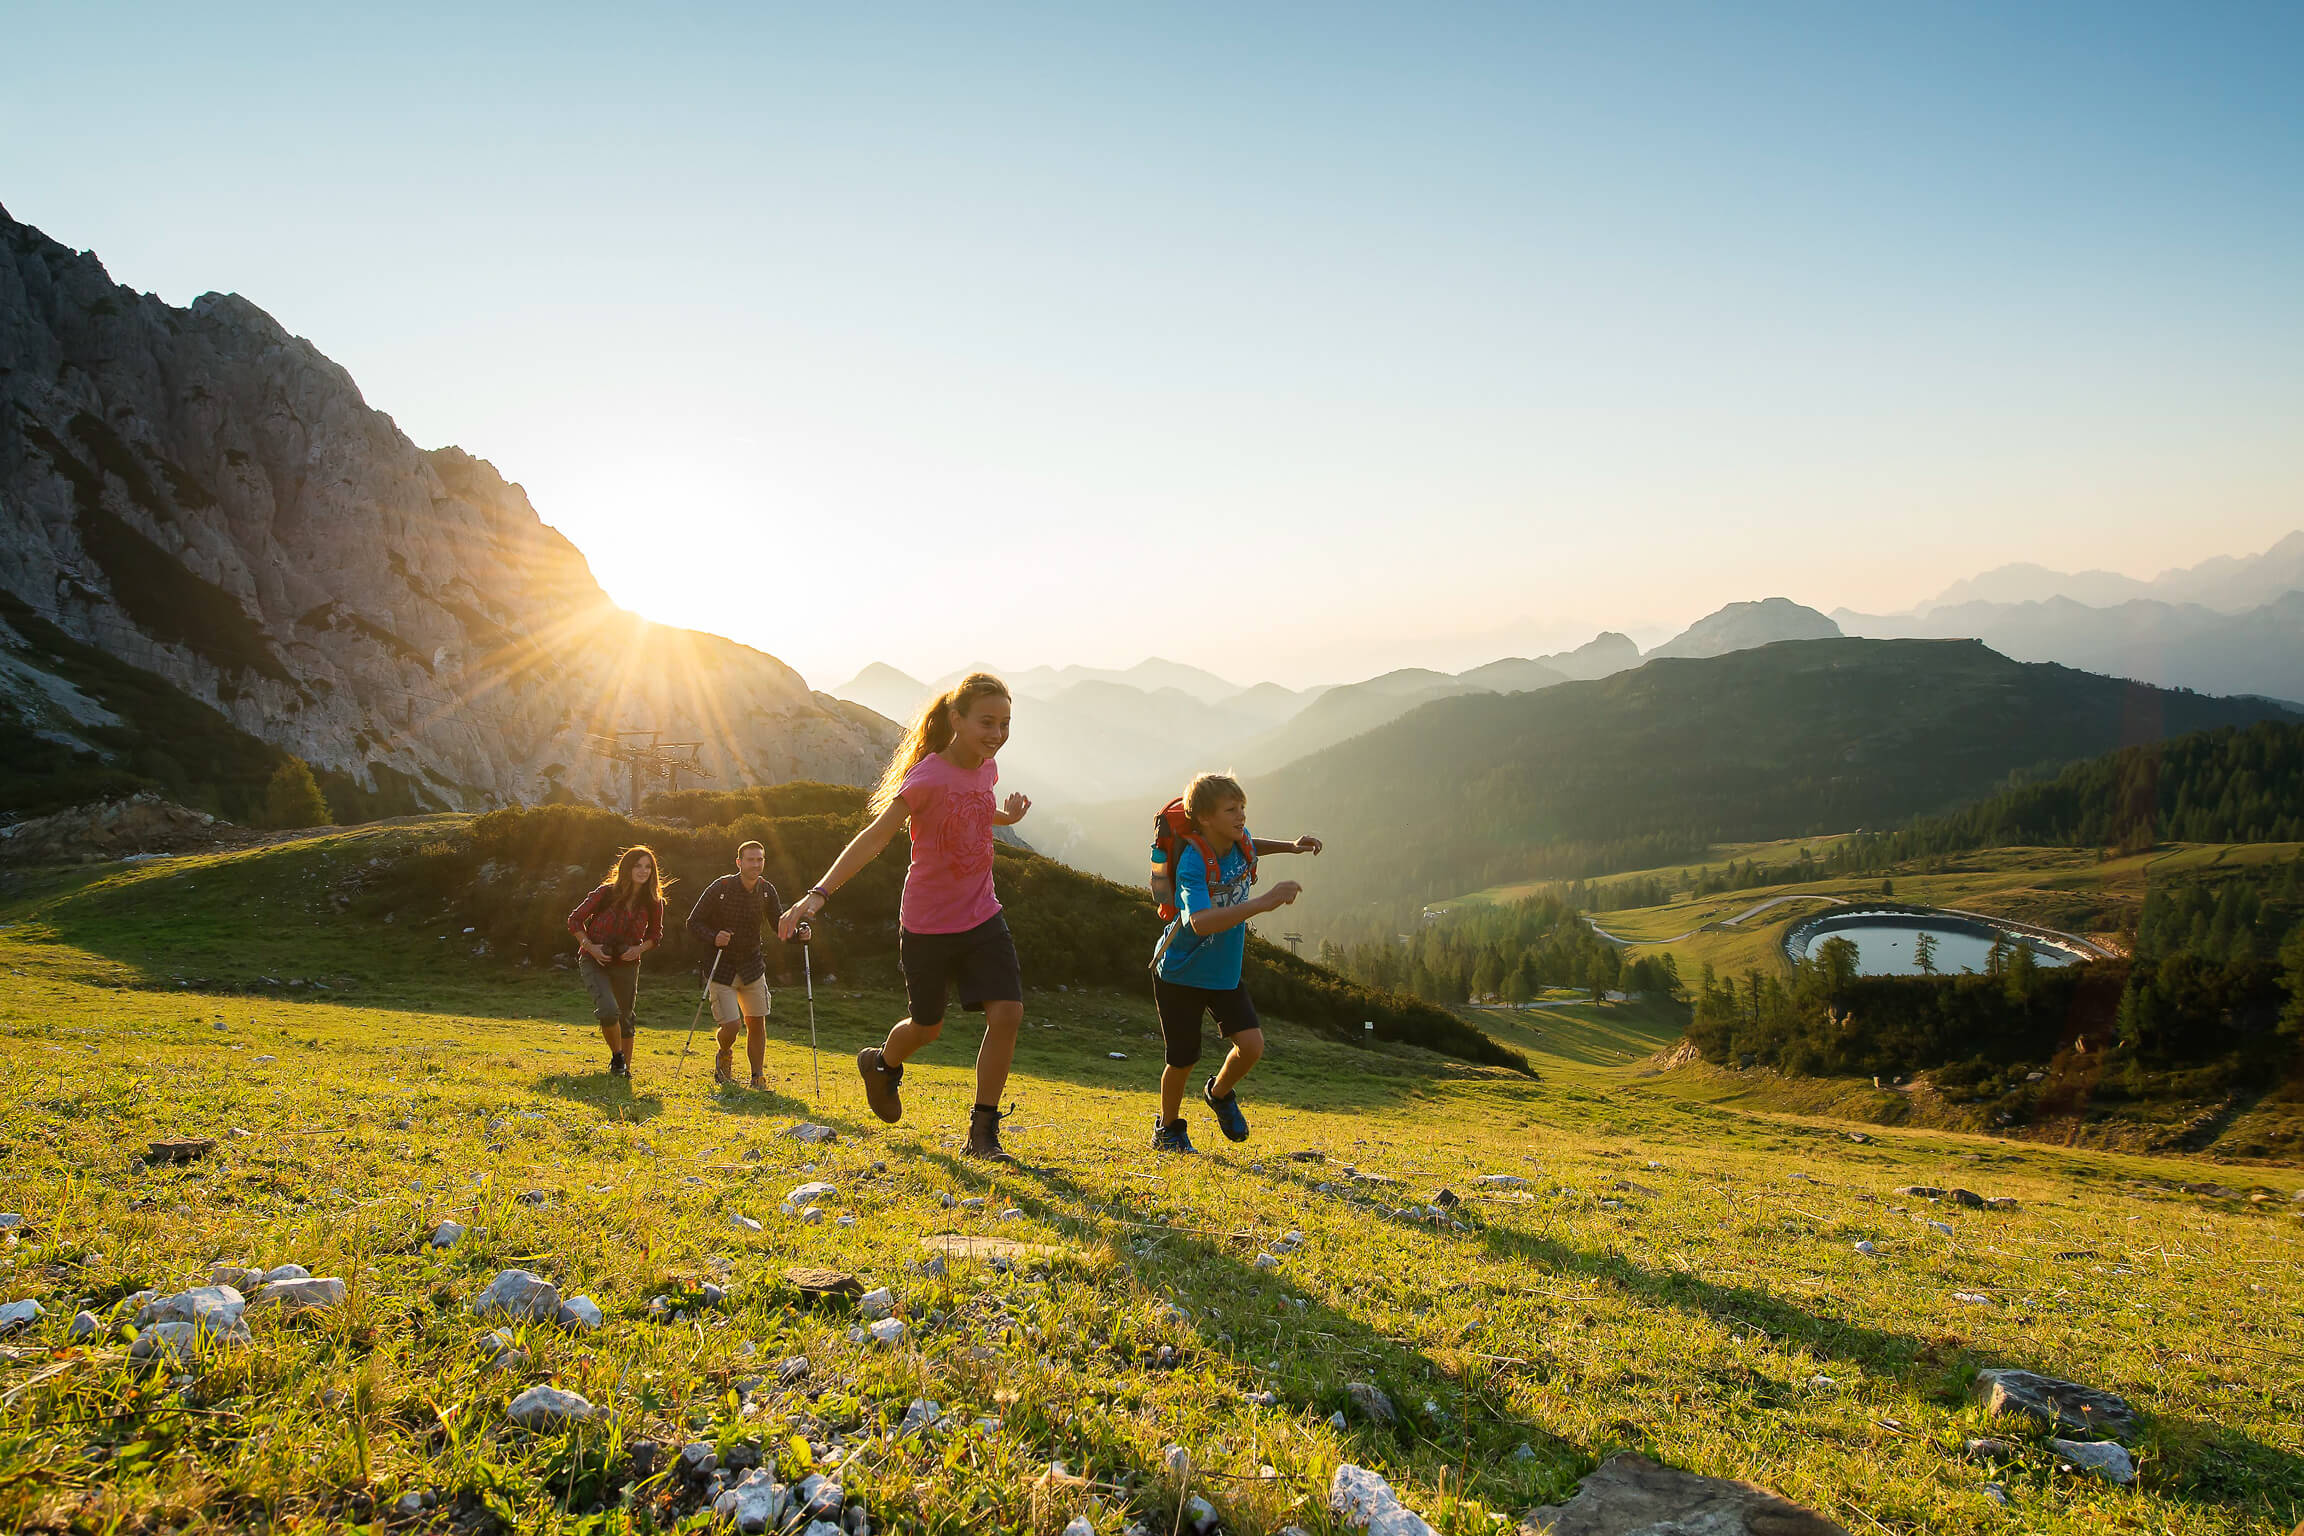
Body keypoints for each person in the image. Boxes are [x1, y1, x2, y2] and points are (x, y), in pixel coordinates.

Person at [778, 672, 1031, 1159]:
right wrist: (819, 894)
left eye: (1005, 723)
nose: (997, 734)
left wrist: (1006, 818)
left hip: (983, 913)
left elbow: (976, 808)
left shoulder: (987, 767)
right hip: (928, 925)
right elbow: (876, 836)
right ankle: (882, 1064)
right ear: (956, 719)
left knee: (1008, 1014)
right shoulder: (927, 776)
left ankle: (982, 1132)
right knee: (927, 1026)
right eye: (987, 722)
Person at [1149, 772, 1320, 1152]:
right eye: (1231, 810)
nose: (1241, 815)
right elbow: (1200, 921)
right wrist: (1263, 902)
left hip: (1223, 972)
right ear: (1205, 818)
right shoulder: (1193, 862)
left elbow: (1252, 844)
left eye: (1242, 806)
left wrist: (1291, 847)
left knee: (1252, 1046)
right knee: (1182, 1059)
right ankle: (1168, 1128)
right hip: (1180, 973)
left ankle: (1219, 1093)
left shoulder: (1239, 843)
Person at [686, 840, 781, 1090]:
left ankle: (757, 1077)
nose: (756, 864)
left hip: (752, 967)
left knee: (757, 1022)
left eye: (760, 859)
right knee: (731, 1026)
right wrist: (714, 937)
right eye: (750, 860)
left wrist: (799, 934)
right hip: (721, 967)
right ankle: (724, 1053)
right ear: (739, 862)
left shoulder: (767, 890)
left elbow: (778, 924)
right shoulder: (721, 887)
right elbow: (693, 922)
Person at [565, 845, 667, 1078]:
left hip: (627, 963)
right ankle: (618, 1056)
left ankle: (623, 1071)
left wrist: (637, 949)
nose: (643, 871)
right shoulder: (605, 893)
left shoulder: (654, 902)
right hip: (594, 960)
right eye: (637, 866)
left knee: (626, 1017)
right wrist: (591, 947)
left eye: (648, 867)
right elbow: (575, 920)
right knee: (609, 1011)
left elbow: (655, 936)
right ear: (626, 868)